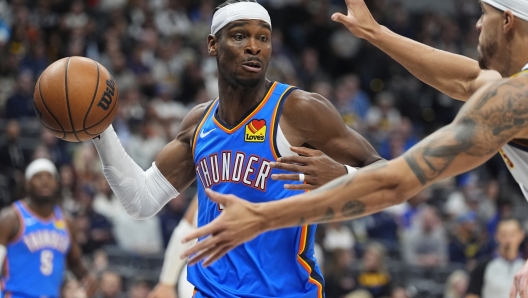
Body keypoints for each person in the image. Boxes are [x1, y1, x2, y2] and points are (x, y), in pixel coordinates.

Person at [180, 1, 528, 297]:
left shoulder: (515, 99)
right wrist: (373, 31)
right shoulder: (507, 87)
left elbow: (395, 182)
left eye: (485, 13)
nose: (479, 23)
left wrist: (262, 218)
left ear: (509, 21)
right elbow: (465, 79)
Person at [91, 0, 383, 297]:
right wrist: (99, 128)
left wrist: (343, 175)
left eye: (263, 38)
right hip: (211, 291)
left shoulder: (299, 110)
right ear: (212, 44)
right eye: (240, 36)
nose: (254, 47)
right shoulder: (198, 123)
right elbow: (142, 200)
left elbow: (386, 174)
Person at [0, 158, 96, 298]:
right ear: (27, 184)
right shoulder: (11, 218)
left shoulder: (67, 222)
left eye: (49, 177)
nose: (45, 181)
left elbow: (75, 263)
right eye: (38, 177)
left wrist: (89, 279)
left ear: (57, 183)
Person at [466, 218, 525, 298]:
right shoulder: (483, 266)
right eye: (504, 235)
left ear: (521, 235)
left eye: (512, 234)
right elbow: (472, 295)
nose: (508, 239)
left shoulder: (525, 265)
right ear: (496, 236)